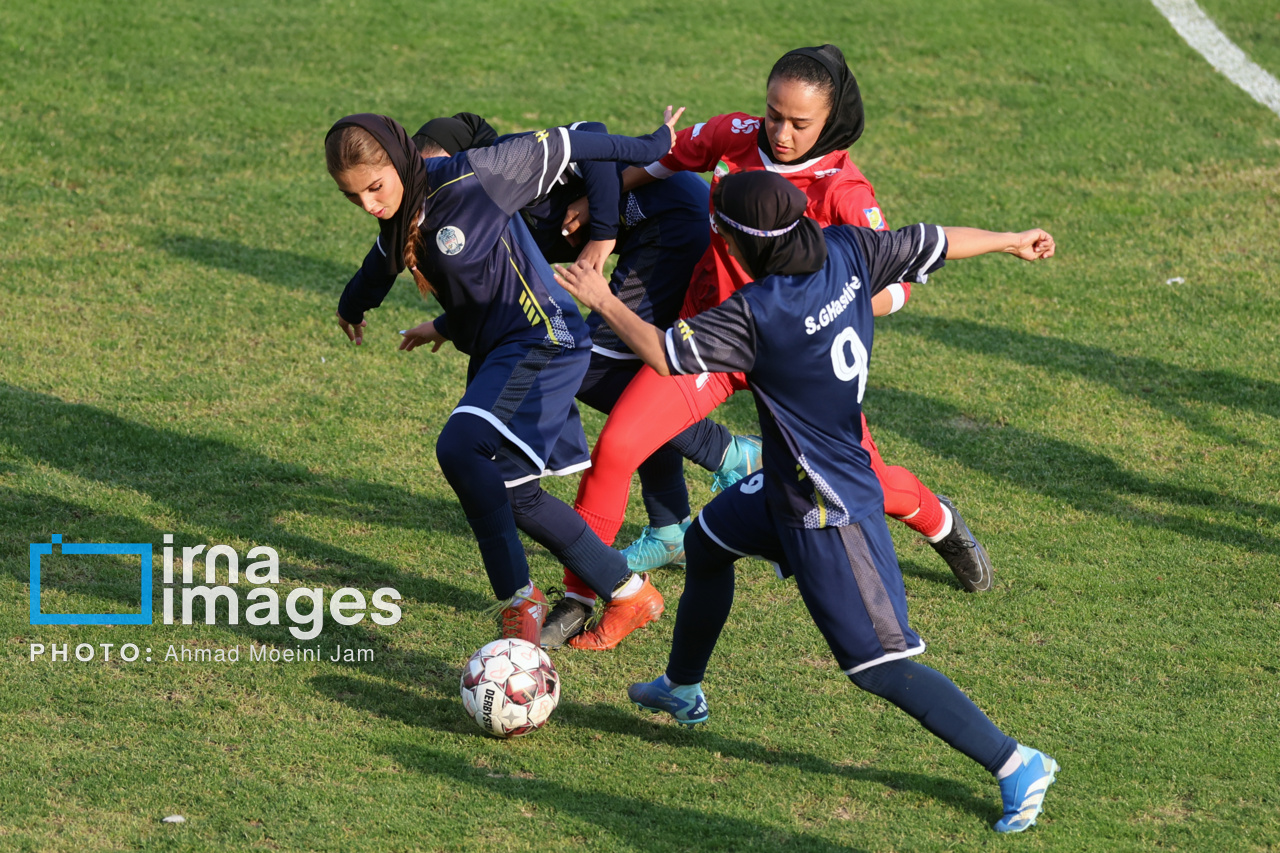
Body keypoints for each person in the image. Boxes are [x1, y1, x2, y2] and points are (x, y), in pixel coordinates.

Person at [553, 170, 1059, 834]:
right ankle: (681, 688)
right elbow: (933, 237)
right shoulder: (849, 248)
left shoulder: (760, 313)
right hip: (791, 481)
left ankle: (1016, 761)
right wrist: (1008, 240)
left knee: (880, 666)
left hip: (828, 509)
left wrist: (601, 297)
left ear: (735, 247)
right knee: (707, 545)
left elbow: (663, 353)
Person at [565, 45, 993, 653]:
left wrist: (818, 313)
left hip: (799, 367)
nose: (782, 133)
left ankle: (938, 519)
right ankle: (584, 596)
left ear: (831, 120)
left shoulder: (846, 192)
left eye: (800, 124)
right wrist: (597, 208)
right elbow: (664, 159)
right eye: (774, 116)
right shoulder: (735, 136)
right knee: (617, 448)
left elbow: (894, 288)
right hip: (715, 343)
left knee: (862, 486)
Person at [325, 109, 683, 644]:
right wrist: (352, 308)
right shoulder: (399, 219)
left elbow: (579, 141)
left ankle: (520, 599)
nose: (370, 205)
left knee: (460, 447)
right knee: (515, 493)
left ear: (399, 159)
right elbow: (378, 267)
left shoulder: (479, 174)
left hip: (544, 338)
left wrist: (658, 144)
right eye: (354, 198)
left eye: (374, 188)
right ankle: (629, 593)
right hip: (505, 351)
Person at [409, 113, 716, 648]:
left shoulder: (500, 176)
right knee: (530, 464)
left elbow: (589, 134)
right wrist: (442, 323)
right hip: (551, 323)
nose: (428, 189)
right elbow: (495, 291)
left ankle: (722, 458)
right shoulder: (459, 214)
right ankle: (648, 551)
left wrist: (602, 231)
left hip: (664, 233)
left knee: (598, 399)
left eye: (434, 171)